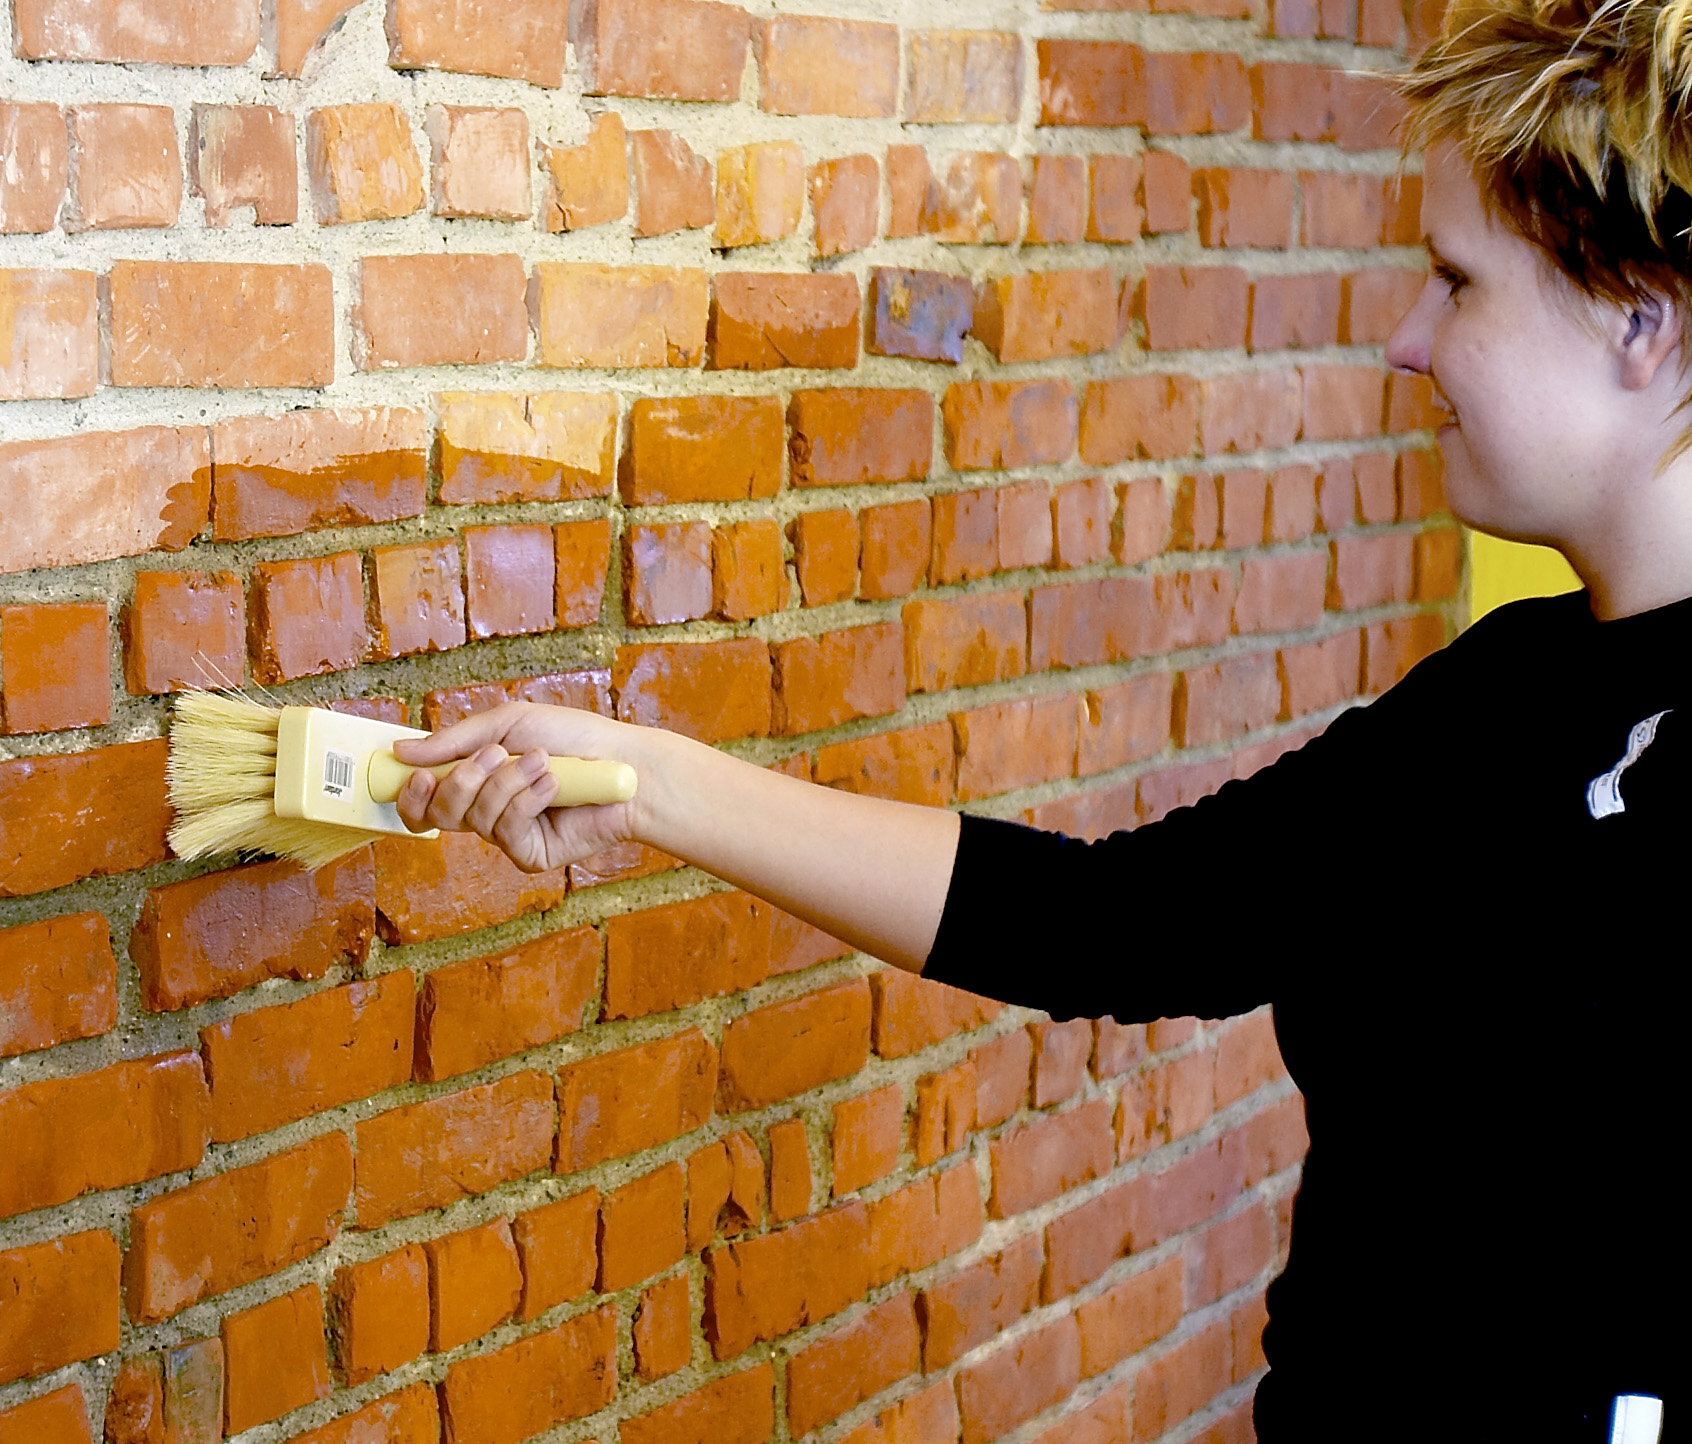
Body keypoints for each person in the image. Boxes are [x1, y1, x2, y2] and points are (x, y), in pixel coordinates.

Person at [395, 0, 1682, 1436]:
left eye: (1456, 284)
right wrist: (650, 785)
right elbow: (1121, 922)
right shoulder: (1509, 696)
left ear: (1642, 321)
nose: (1404, 337)